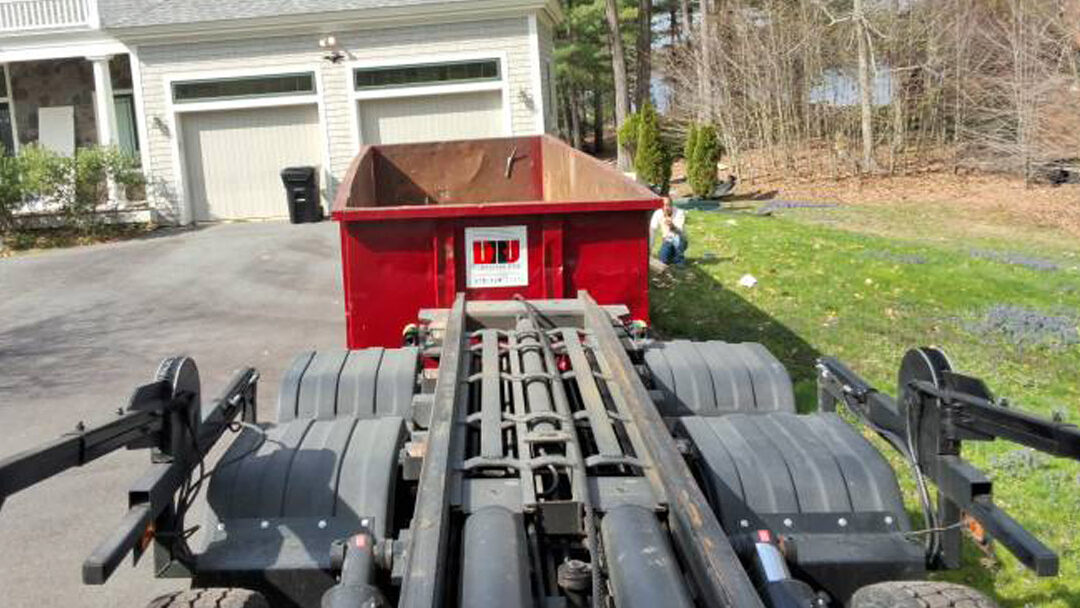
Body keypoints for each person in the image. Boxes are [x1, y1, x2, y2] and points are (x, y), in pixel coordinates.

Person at [649, 197, 688, 265]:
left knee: (677, 238)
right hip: (667, 240)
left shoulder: (679, 212)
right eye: (663, 205)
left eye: (668, 205)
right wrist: (650, 249)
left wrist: (672, 226)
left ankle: (679, 261)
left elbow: (680, 230)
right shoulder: (657, 213)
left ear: (672, 205)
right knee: (663, 261)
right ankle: (671, 255)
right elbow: (652, 230)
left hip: (680, 239)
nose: (665, 208)